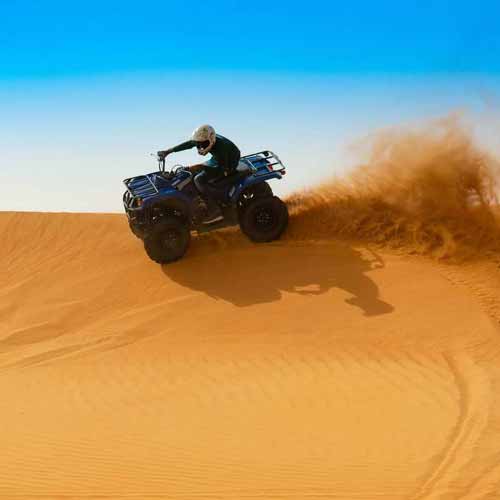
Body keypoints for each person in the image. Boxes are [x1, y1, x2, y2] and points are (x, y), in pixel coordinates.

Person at [158, 125, 241, 224]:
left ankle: (215, 210)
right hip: (217, 159)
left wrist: (200, 167)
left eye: (202, 144)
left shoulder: (222, 147)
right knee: (190, 174)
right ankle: (199, 200)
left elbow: (220, 169)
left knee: (199, 180)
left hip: (228, 164)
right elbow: (189, 143)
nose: (200, 146)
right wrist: (168, 151)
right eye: (199, 144)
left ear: (211, 140)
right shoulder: (206, 138)